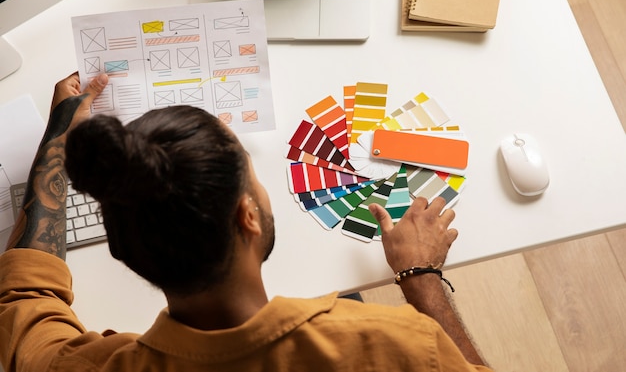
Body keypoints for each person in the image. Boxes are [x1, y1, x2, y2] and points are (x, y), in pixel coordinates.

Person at [0, 73, 492, 372]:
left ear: (126, 248)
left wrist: (60, 135)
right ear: (248, 215)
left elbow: (23, 301)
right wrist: (421, 278)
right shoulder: (393, 345)